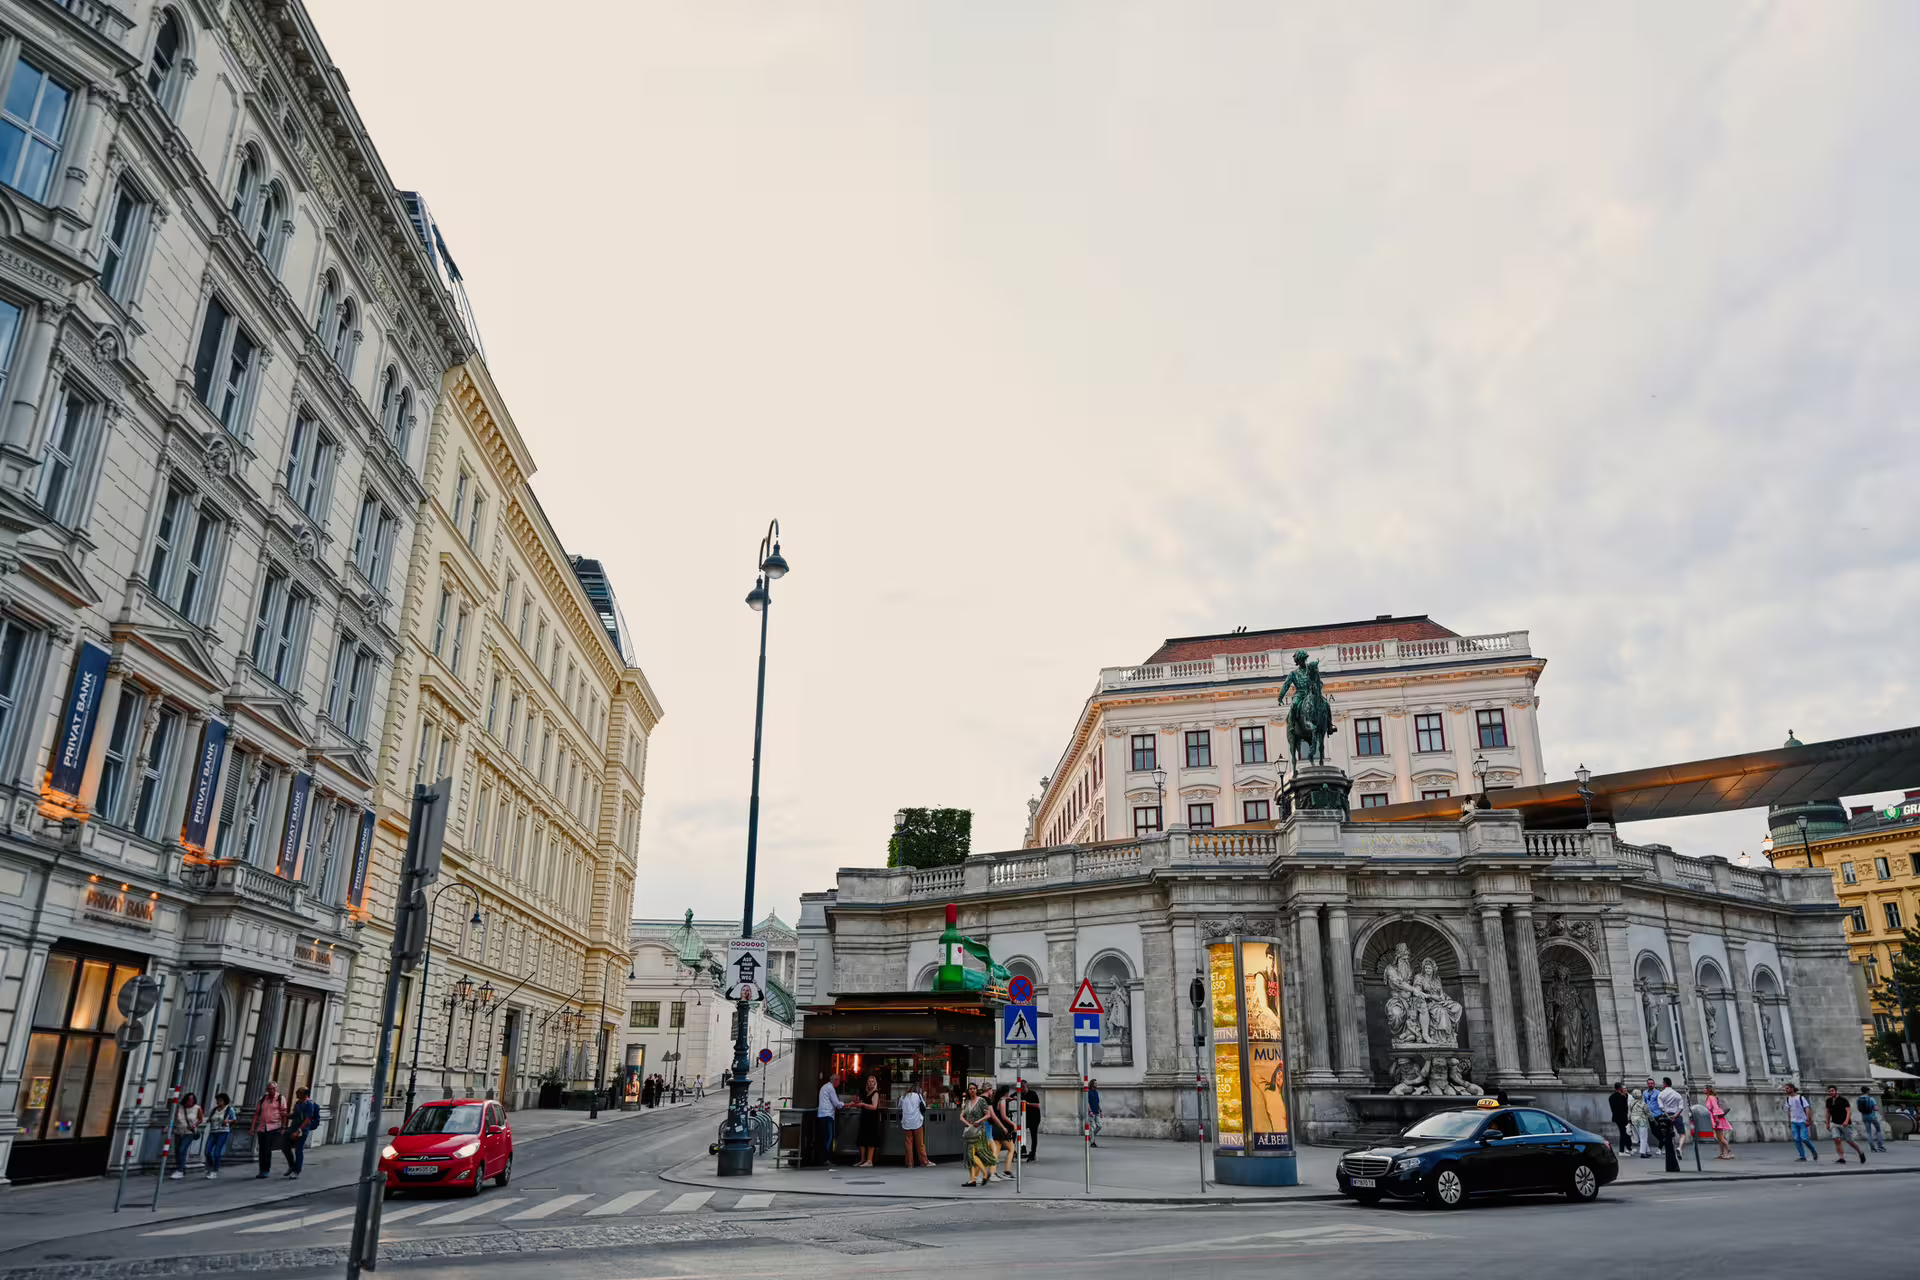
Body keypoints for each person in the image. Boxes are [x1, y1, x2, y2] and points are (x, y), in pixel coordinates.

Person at [960, 1082, 995, 1187]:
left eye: (974, 1088)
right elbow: (961, 1116)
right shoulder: (967, 1102)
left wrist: (978, 1121)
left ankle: (983, 1173)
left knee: (973, 1154)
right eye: (970, 1089)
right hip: (971, 1132)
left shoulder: (981, 1101)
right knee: (971, 1155)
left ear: (977, 1090)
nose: (972, 1090)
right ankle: (973, 1179)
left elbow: (988, 1114)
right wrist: (968, 1124)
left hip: (979, 1131)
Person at [282, 1086, 320, 1178]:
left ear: (305, 1094)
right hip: (293, 1128)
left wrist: (298, 1131)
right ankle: (292, 1166)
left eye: (298, 1093)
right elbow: (295, 1115)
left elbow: (308, 1120)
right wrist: (286, 1115)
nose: (296, 1094)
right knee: (285, 1147)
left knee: (298, 1150)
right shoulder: (298, 1103)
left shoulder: (309, 1104)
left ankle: (297, 1171)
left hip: (302, 1131)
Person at [252, 1082, 287, 1179]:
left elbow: (284, 1113)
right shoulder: (263, 1098)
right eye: (270, 1089)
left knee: (267, 1149)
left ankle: (265, 1170)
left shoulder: (280, 1098)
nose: (272, 1091)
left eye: (274, 1089)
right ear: (267, 1089)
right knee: (262, 1150)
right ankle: (262, 1170)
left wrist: (283, 1127)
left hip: (274, 1126)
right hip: (262, 1127)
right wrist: (252, 1128)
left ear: (276, 1089)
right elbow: (257, 1114)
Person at [1825, 1085, 1867, 1164]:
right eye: (1829, 1091)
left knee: (1850, 1141)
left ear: (1836, 1091)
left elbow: (1848, 1111)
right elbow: (1828, 1112)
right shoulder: (1828, 1100)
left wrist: (1846, 1121)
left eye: (1832, 1091)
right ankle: (1842, 1158)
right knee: (1837, 1139)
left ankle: (1860, 1152)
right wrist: (1827, 1123)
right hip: (1834, 1123)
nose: (1831, 1092)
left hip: (1844, 1123)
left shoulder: (1843, 1100)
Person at [169, 1092, 203, 1180]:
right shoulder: (180, 1107)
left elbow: (200, 1119)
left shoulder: (197, 1108)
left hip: (189, 1132)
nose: (190, 1101)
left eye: (192, 1100)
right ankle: (181, 1168)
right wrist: (169, 1126)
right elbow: (174, 1118)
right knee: (177, 1151)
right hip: (178, 1131)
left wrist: (195, 1125)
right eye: (189, 1099)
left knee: (182, 1149)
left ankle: (179, 1170)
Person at [1783, 1083, 1819, 1161]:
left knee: (1804, 1138)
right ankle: (1802, 1156)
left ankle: (1813, 1151)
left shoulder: (1800, 1098)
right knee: (1796, 1139)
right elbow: (1789, 1111)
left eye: (1787, 1088)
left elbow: (1807, 1108)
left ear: (1792, 1088)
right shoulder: (1788, 1099)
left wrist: (1808, 1120)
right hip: (1794, 1122)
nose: (1786, 1090)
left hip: (1802, 1121)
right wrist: (1789, 1121)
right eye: (1785, 1089)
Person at [899, 1079, 930, 1168]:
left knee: (908, 1144)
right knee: (920, 1143)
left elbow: (899, 1107)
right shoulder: (918, 1096)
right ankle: (924, 1161)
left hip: (906, 1123)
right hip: (917, 1122)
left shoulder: (902, 1097)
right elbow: (924, 1106)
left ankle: (910, 1163)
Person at [816, 1070, 844, 1165]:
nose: (839, 1083)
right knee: (829, 1137)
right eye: (839, 1081)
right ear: (835, 1080)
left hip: (822, 1115)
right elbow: (837, 1103)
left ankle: (823, 1159)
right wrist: (847, 1104)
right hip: (827, 1115)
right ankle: (827, 1159)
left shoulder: (825, 1087)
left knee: (824, 1137)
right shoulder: (830, 1088)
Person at [989, 1085, 1017, 1179]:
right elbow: (1004, 1116)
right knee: (1011, 1149)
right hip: (1003, 1128)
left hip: (995, 1128)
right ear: (1006, 1092)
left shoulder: (997, 1100)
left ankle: (993, 1172)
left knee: (996, 1151)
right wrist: (1013, 1124)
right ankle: (1007, 1171)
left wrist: (1010, 1099)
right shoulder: (1003, 1101)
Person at [855, 1074, 883, 1168]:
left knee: (871, 1139)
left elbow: (874, 1107)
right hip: (864, 1117)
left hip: (871, 1118)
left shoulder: (875, 1093)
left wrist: (863, 1105)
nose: (871, 1083)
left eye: (872, 1082)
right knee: (862, 1138)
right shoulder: (866, 1092)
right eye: (869, 1081)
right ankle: (863, 1159)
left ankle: (869, 1160)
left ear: (875, 1083)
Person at [205, 1093, 235, 1178]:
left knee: (216, 1152)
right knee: (207, 1151)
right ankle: (209, 1167)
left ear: (225, 1101)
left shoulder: (229, 1109)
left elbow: (234, 1120)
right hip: (213, 1132)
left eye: (220, 1100)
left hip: (223, 1132)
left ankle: (214, 1170)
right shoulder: (214, 1109)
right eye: (217, 1100)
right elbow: (211, 1118)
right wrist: (209, 1120)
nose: (218, 1102)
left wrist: (228, 1122)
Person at [1656, 1077, 1688, 1155]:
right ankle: (1679, 1148)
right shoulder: (1677, 1094)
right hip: (1676, 1115)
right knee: (1682, 1134)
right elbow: (1681, 1107)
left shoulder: (1661, 1094)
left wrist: (1668, 1115)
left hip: (1666, 1116)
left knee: (1667, 1133)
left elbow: (1661, 1107)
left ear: (1664, 1083)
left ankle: (1669, 1149)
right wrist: (1674, 1116)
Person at [1704, 1084, 1733, 1159]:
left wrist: (1716, 1118)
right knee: (1719, 1137)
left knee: (1721, 1137)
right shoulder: (1710, 1097)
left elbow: (1715, 1108)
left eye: (1705, 1089)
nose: (1703, 1090)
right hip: (1715, 1118)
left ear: (1708, 1090)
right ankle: (1722, 1153)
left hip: (1716, 1118)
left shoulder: (1711, 1097)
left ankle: (1728, 1151)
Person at [1857, 1088, 1887, 1153]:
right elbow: (1876, 1108)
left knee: (1869, 1132)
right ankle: (1880, 1146)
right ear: (1868, 1091)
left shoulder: (1859, 1099)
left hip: (1864, 1117)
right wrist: (1875, 1108)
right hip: (1873, 1117)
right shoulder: (1871, 1099)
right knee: (1878, 1130)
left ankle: (1872, 1147)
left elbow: (1859, 1109)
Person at [1628, 1084, 1652, 1157]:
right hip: (1642, 1121)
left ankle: (1647, 1151)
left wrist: (1629, 1120)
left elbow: (1629, 1112)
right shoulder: (1642, 1103)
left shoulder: (1631, 1102)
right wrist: (1652, 1120)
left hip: (1634, 1121)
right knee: (1643, 1137)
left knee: (1641, 1136)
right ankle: (1642, 1152)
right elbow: (1648, 1112)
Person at [1021, 1081, 1042, 1163]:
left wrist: (1027, 1104)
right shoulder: (1020, 1094)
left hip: (1034, 1117)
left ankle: (1033, 1153)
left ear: (1026, 1086)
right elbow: (1011, 1097)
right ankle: (1023, 1149)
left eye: (1023, 1087)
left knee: (1033, 1135)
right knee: (1019, 1132)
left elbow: (1037, 1105)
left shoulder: (1032, 1093)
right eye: (1020, 1087)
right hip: (1025, 1118)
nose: (1022, 1089)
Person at [1608, 1083, 1630, 1154]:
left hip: (1615, 1117)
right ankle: (1621, 1150)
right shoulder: (1622, 1097)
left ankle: (1629, 1147)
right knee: (1623, 1133)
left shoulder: (1611, 1097)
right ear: (1620, 1088)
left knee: (1624, 1133)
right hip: (1622, 1118)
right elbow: (1625, 1109)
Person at [1086, 1078, 1102, 1147]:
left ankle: (1091, 1136)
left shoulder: (1096, 1092)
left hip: (1097, 1111)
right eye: (1095, 1083)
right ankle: (1092, 1142)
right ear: (1092, 1084)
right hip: (1091, 1112)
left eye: (1096, 1083)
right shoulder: (1089, 1092)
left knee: (1099, 1126)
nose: (1096, 1084)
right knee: (1093, 1127)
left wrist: (1100, 1111)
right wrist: (1090, 1111)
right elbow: (1087, 1103)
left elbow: (1098, 1102)